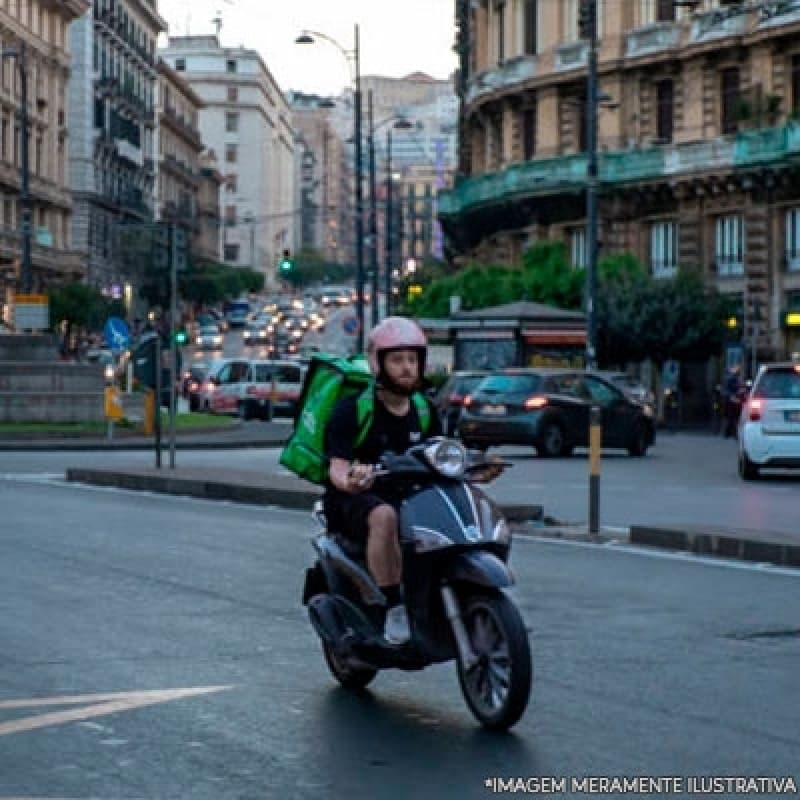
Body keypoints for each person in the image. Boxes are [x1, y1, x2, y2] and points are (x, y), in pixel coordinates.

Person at [323, 317, 442, 645]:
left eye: (412, 359)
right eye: (397, 359)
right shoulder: (353, 409)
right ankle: (393, 606)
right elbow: (337, 466)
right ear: (378, 363)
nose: (407, 368)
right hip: (357, 498)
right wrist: (351, 480)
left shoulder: (425, 408)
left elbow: (441, 452)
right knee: (384, 516)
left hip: (411, 493)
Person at [723, 365, 742, 438]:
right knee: (732, 417)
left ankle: (729, 433)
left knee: (732, 417)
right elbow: (726, 390)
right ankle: (729, 433)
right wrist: (733, 395)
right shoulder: (731, 379)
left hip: (733, 399)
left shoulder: (736, 379)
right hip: (731, 400)